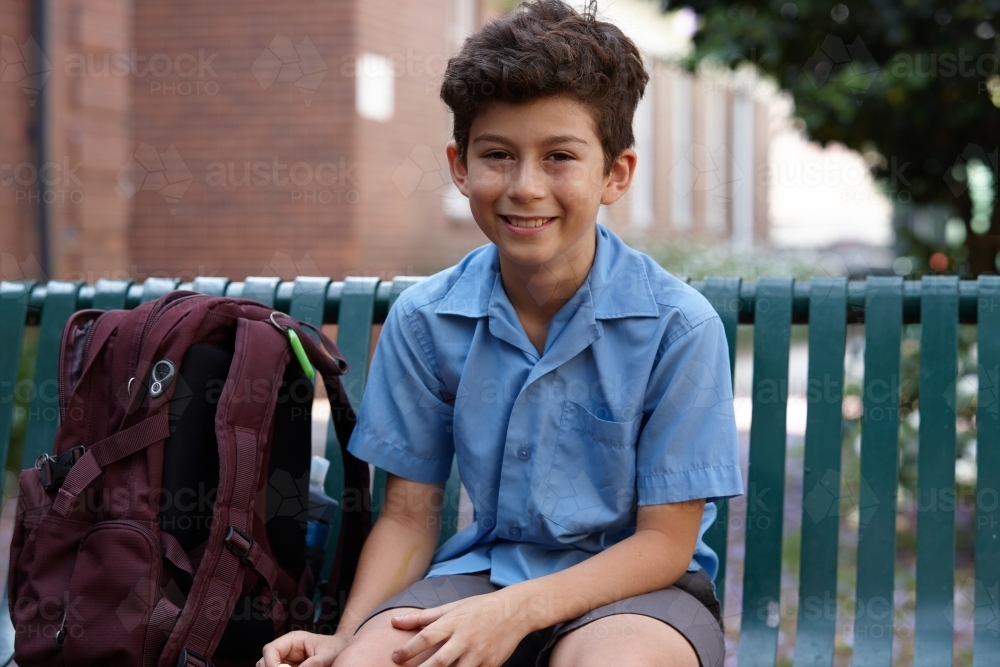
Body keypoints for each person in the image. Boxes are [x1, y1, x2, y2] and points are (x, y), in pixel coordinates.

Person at [261, 1, 743, 665]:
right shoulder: (427, 319)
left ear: (615, 173)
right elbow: (408, 516)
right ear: (460, 166)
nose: (524, 186)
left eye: (559, 157)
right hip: (485, 571)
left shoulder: (678, 326)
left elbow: (663, 542)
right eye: (498, 155)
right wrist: (345, 639)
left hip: (641, 590)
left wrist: (515, 612)